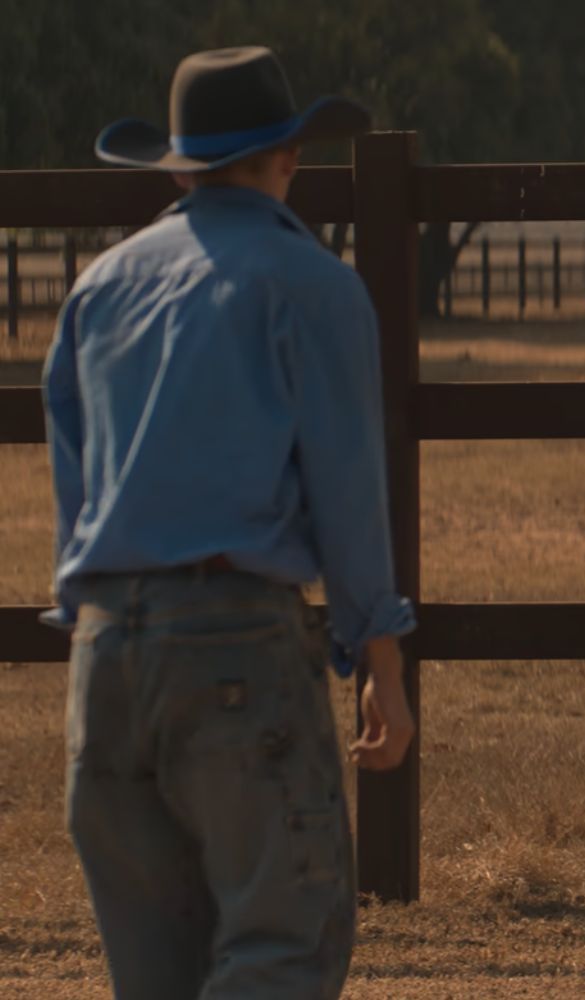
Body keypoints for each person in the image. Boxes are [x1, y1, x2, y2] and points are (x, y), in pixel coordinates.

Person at [42, 47, 415, 999]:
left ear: (175, 168)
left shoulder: (99, 289)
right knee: (285, 940)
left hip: (107, 657)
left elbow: (76, 492)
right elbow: (348, 492)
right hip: (236, 649)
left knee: (156, 972)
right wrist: (380, 661)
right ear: (288, 157)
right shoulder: (312, 286)